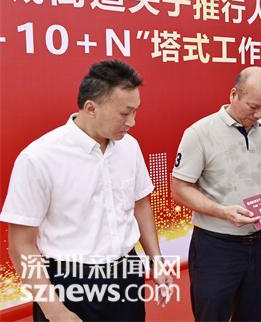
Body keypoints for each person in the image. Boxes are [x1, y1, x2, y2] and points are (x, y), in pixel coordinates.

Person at [0, 60, 172, 322]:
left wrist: (155, 260)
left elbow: (141, 204)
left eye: (136, 111)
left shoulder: (129, 147)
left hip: (126, 273)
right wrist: (55, 311)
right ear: (91, 108)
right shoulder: (39, 158)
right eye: (124, 113)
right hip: (69, 282)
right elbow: (20, 244)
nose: (132, 122)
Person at [171, 66, 261, 321]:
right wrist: (222, 212)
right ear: (234, 94)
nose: (259, 115)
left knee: (252, 315)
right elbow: (179, 189)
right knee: (212, 315)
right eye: (253, 107)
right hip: (216, 246)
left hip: (258, 243)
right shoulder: (200, 133)